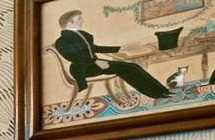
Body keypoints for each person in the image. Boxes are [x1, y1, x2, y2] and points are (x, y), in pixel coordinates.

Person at [52, 10, 183, 99]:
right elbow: (74, 57)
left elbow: (95, 48)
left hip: (94, 64)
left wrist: (121, 48)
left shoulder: (82, 35)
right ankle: (157, 94)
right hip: (82, 68)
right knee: (129, 68)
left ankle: (162, 91)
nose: (82, 21)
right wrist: (95, 62)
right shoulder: (61, 41)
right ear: (70, 23)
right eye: (79, 19)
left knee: (132, 66)